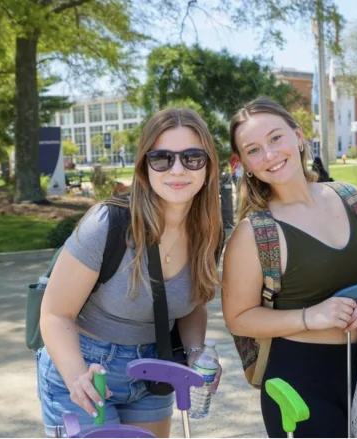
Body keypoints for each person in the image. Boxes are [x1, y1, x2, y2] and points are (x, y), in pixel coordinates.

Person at [37, 108, 223, 438]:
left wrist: (195, 353)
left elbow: (193, 304)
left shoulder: (210, 233)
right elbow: (54, 314)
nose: (177, 169)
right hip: (86, 366)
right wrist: (77, 375)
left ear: (208, 167)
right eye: (162, 158)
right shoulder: (108, 224)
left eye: (192, 158)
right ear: (144, 167)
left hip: (156, 368)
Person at [222, 97, 357, 439]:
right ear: (245, 165)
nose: (268, 154)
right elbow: (239, 318)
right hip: (298, 381)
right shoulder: (254, 232)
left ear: (298, 137)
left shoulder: (350, 198)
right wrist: (311, 317)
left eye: (275, 138)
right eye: (253, 150)